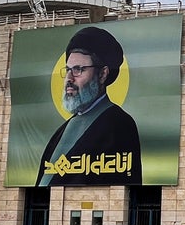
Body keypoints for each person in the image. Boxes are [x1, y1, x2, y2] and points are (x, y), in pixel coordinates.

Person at [38, 25, 143, 186]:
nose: (69, 79)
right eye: (68, 70)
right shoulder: (63, 129)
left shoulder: (119, 124)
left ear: (102, 74)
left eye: (78, 70)